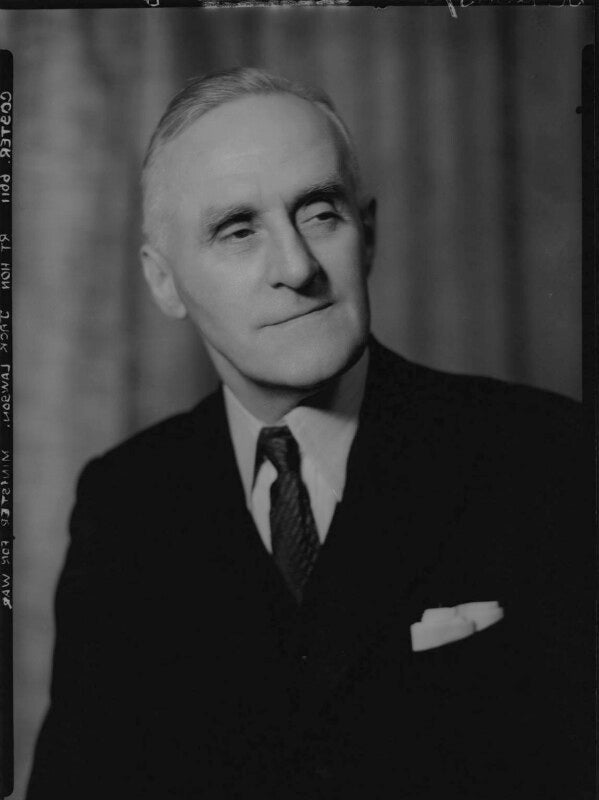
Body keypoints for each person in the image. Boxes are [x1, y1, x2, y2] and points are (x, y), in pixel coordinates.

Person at [27, 68, 592, 800]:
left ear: (368, 235)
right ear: (164, 282)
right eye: (238, 231)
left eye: (321, 214)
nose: (296, 267)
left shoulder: (546, 455)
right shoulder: (123, 504)